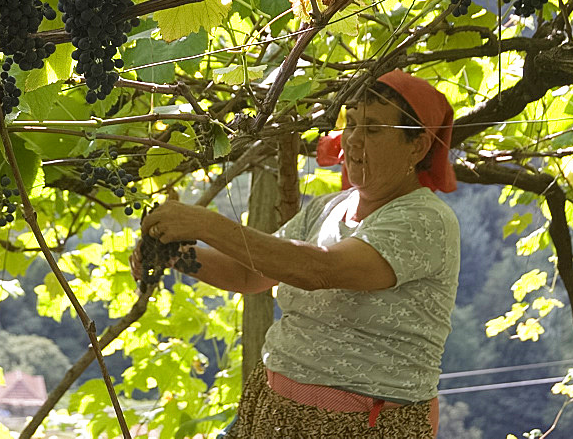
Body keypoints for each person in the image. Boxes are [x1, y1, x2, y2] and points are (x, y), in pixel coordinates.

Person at [131, 70, 460, 438]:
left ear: (417, 146)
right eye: (350, 124)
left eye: (373, 129)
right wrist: (174, 253)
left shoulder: (425, 220)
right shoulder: (328, 209)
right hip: (273, 409)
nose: (353, 140)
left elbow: (320, 270)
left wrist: (206, 224)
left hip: (364, 428)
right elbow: (248, 274)